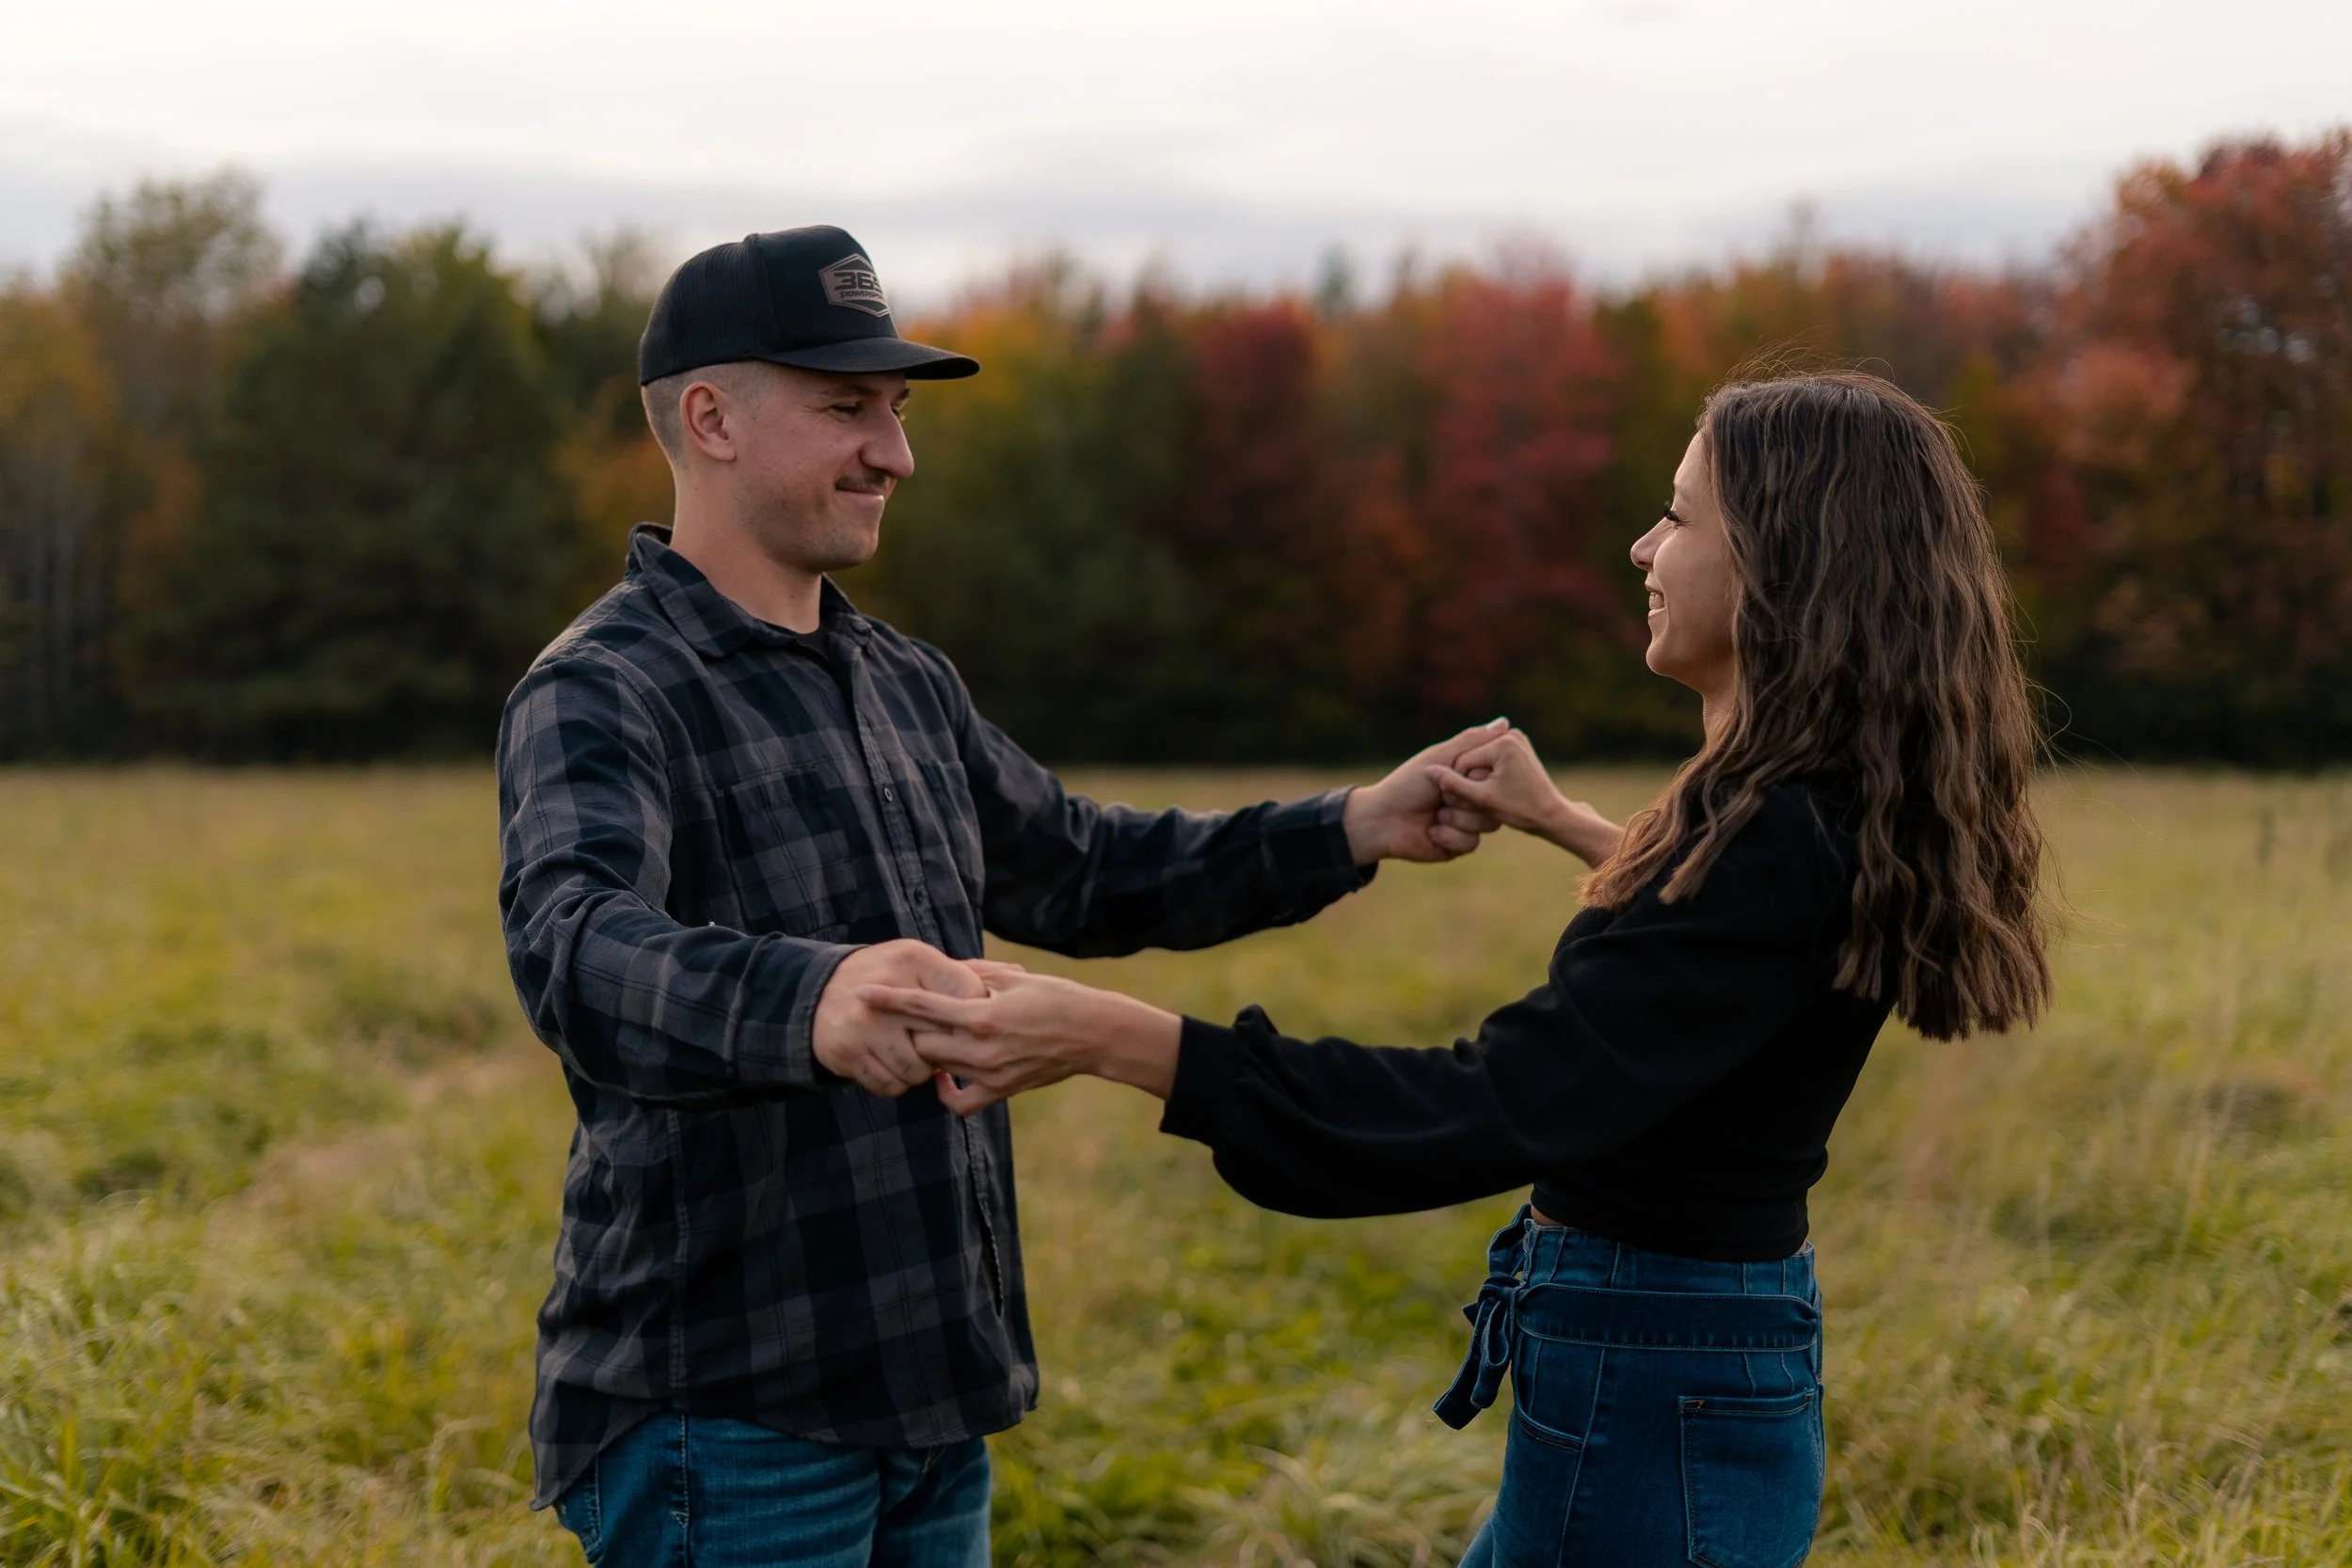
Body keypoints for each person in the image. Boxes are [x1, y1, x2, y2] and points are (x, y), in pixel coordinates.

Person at [860, 371, 2054, 1566]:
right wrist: (1565, 821)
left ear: (1779, 561)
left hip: (1653, 1383)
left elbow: (1493, 1100)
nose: (1643, 547)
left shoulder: (1772, 835)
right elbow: (1716, 953)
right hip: (1675, 1357)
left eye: (1678, 514)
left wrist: (1110, 1038)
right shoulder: (1801, 817)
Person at [495, 224, 1507, 1567]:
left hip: (935, 1390)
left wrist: (1352, 825)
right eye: (847, 408)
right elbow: (573, 945)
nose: (895, 454)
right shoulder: (603, 686)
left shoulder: (905, 681)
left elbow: (1084, 867)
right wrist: (809, 997)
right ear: (710, 420)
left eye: (899, 411)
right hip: (727, 1411)